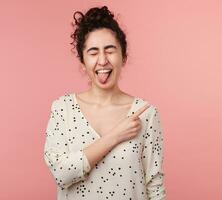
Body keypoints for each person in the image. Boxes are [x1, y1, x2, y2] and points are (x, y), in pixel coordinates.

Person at [43, 5, 166, 200]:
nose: (102, 60)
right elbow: (61, 173)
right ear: (83, 63)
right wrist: (115, 136)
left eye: (110, 50)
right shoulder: (62, 109)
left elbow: (155, 185)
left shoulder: (145, 113)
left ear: (123, 57)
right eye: (93, 52)